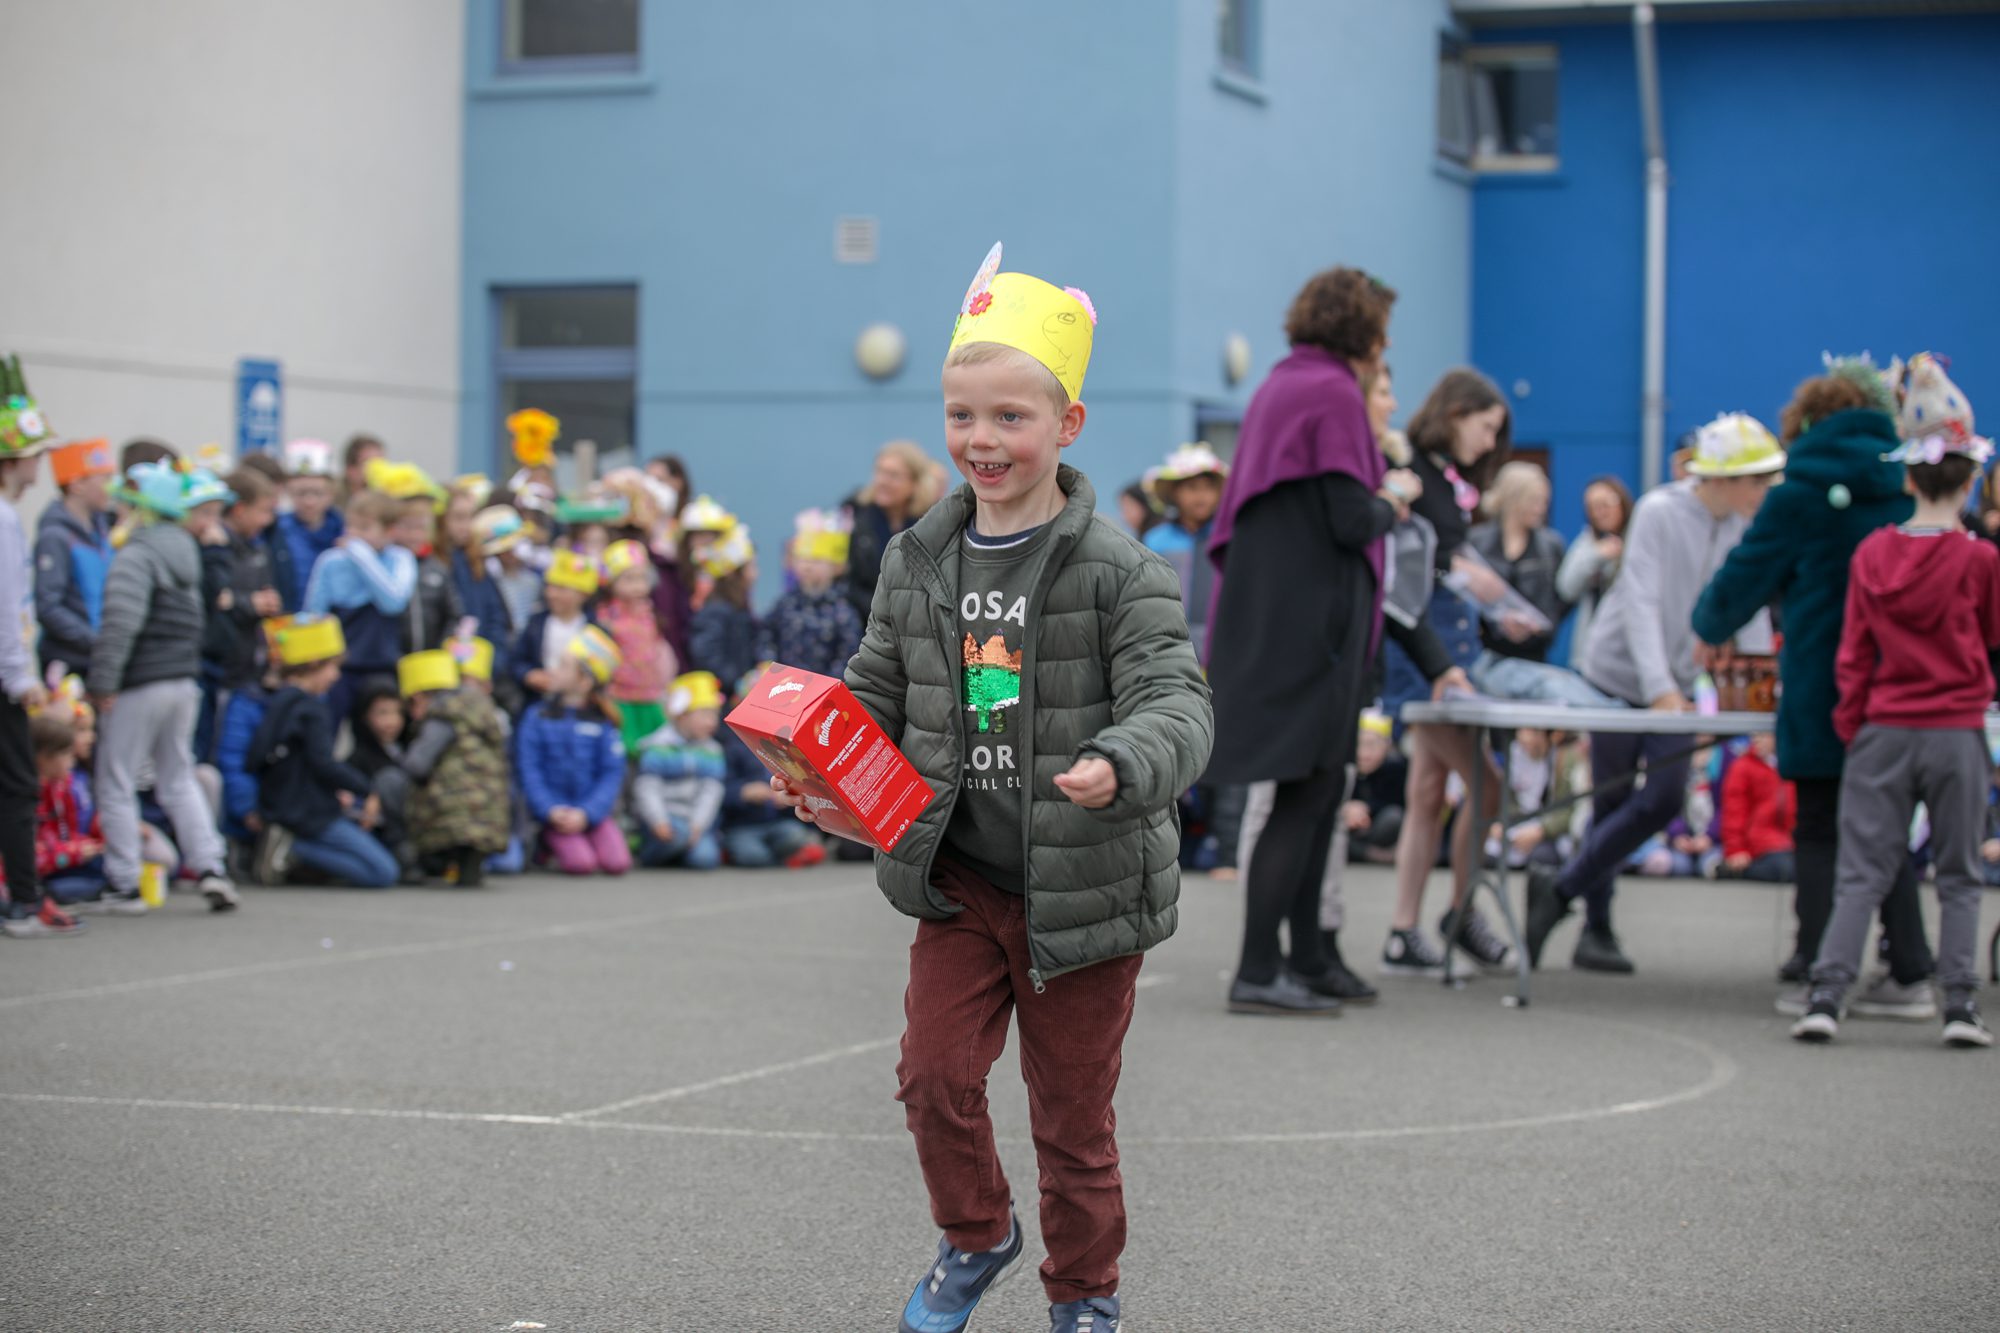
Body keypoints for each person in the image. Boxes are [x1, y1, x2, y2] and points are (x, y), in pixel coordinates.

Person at [773, 244, 1209, 1333]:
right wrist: (816, 758)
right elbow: (875, 688)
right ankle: (976, 1235)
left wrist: (1122, 762)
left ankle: (1085, 1297)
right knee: (931, 1077)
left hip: (1085, 889)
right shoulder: (914, 560)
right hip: (961, 877)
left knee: (1071, 1122)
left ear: (1066, 426)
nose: (981, 439)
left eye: (1010, 417)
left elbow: (1178, 702)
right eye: (962, 415)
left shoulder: (1121, 568)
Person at [1206, 275, 1433, 1011]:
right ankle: (1258, 969)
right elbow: (1348, 518)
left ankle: (1301, 957)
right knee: (1305, 795)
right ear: (1360, 329)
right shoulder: (1331, 389)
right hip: (1316, 632)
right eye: (1383, 328)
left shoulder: (1287, 382)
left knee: (1318, 791)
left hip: (1288, 621)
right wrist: (1395, 497)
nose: (1388, 343)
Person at [1694, 356, 1937, 1015]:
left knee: (1822, 827)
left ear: (1805, 425)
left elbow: (1738, 586)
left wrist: (1708, 622)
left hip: (1824, 684)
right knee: (1884, 828)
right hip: (1909, 689)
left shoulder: (1797, 494)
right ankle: (1912, 969)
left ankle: (1818, 968)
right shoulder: (1906, 484)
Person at [1526, 412, 1783, 974]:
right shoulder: (1661, 511)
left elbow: (1749, 601)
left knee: (1664, 797)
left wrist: (1760, 692)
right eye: (1757, 479)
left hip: (1673, 680)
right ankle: (1597, 928)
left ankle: (1559, 888)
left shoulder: (1744, 523)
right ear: (1721, 479)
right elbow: (1640, 600)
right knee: (1611, 800)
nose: (1765, 491)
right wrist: (1660, 691)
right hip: (1617, 674)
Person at [1794, 361, 1997, 1048]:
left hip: (1882, 727)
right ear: (1970, 478)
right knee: (1962, 873)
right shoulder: (1980, 561)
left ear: (1908, 476)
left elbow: (1853, 652)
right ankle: (1959, 1003)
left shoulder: (1874, 553)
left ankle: (1827, 991)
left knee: (1862, 868)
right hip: (1956, 729)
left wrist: (1853, 722)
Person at [1381, 369, 1517, 979]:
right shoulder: (1414, 473)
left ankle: (1403, 931)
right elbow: (1412, 573)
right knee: (1487, 788)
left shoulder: (1437, 477)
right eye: (1486, 428)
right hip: (1426, 653)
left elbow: (1435, 565)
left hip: (1440, 649)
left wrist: (1486, 593)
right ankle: (1459, 913)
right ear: (1458, 412)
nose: (1490, 443)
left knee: (1427, 795)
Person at [85, 461, 240, 912]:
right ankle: (212, 866)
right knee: (178, 775)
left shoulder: (136, 555)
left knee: (115, 779)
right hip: (182, 681)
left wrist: (103, 682)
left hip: (141, 681)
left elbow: (119, 625)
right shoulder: (186, 555)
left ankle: (124, 882)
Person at [0, 360, 80, 935]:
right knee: (17, 786)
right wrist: (19, 673)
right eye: (35, 453)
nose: (40, 463)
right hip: (3, 675)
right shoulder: (4, 519)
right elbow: (9, 603)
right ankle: (24, 899)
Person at [247, 615, 398, 889]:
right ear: (314, 663)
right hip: (309, 812)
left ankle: (290, 850)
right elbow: (323, 763)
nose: (336, 676)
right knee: (383, 872)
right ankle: (293, 849)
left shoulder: (279, 701)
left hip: (280, 804)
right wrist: (367, 789)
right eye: (333, 667)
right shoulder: (311, 708)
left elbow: (257, 757)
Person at [516, 626, 630, 876]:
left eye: (564, 666)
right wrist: (549, 810)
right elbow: (529, 769)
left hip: (590, 813)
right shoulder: (537, 716)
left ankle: (581, 838)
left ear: (585, 681)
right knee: (581, 864)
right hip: (554, 813)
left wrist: (588, 813)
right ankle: (546, 845)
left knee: (617, 863)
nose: (554, 671)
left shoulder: (603, 721)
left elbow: (611, 774)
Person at [397, 648, 512, 887]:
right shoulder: (484, 712)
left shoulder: (441, 716)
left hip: (454, 813)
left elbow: (417, 764)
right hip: (492, 813)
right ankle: (469, 863)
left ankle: (425, 858)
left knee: (393, 781)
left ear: (418, 697)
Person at [302, 489, 416, 727]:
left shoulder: (401, 559)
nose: (353, 535)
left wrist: (362, 556)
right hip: (341, 668)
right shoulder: (331, 561)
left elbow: (393, 602)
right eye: (350, 526)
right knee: (326, 727)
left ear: (390, 531)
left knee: (375, 734)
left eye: (364, 528)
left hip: (382, 666)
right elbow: (314, 614)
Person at [197, 467, 283, 761]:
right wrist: (248, 603)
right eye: (263, 511)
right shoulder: (214, 548)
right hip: (222, 669)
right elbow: (215, 598)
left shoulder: (258, 548)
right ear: (240, 509)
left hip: (251, 670)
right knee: (215, 747)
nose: (267, 520)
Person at [718, 670, 825, 870]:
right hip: (743, 825)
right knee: (754, 857)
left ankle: (787, 853)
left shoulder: (784, 745)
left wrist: (789, 794)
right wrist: (743, 792)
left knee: (794, 835)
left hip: (777, 822)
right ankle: (742, 851)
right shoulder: (733, 748)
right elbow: (720, 789)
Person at [33, 438, 117, 678]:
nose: (111, 488)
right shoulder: (55, 535)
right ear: (77, 484)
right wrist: (94, 640)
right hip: (68, 660)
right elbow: (48, 606)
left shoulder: (103, 530)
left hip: (97, 659)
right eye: (104, 479)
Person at [633, 671, 728, 870]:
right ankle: (653, 854)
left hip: (693, 821)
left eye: (714, 715)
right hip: (664, 820)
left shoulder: (712, 751)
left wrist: (698, 825)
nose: (711, 722)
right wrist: (658, 820)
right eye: (704, 714)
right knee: (677, 838)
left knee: (706, 860)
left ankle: (678, 851)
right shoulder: (658, 746)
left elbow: (711, 791)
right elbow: (647, 788)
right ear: (681, 714)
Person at [759, 512, 865, 681]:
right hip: (784, 686)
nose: (807, 566)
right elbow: (766, 636)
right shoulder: (785, 604)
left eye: (816, 560)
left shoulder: (842, 611)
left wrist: (827, 683)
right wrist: (770, 668)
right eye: (803, 559)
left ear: (837, 567)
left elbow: (849, 654)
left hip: (824, 692)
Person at [843, 439, 938, 624]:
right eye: (879, 472)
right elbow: (848, 584)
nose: (882, 481)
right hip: (862, 624)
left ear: (915, 483)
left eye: (893, 475)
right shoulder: (853, 515)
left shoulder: (931, 523)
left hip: (914, 624)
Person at [599, 538, 677, 750]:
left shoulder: (649, 611)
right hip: (620, 695)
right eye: (628, 579)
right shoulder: (607, 616)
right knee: (626, 747)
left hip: (650, 694)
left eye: (641, 579)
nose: (637, 587)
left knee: (655, 746)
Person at [509, 548, 600, 711]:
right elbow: (517, 659)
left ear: (583, 594)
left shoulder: (594, 630)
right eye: (550, 587)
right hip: (539, 704)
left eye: (561, 589)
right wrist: (529, 675)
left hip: (580, 707)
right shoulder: (537, 622)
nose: (551, 594)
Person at [1557, 477, 1632, 670]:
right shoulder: (1588, 542)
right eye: (1593, 507)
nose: (1600, 513)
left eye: (1605, 504)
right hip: (1593, 650)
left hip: (1630, 648)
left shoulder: (1638, 537)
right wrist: (1597, 554)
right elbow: (1566, 587)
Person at [440, 480, 513, 651]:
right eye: (458, 517)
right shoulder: (434, 565)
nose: (467, 526)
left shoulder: (477, 562)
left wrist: (492, 663)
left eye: (471, 517)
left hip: (480, 664)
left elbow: (497, 618)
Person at [273, 439, 344, 611]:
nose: (309, 501)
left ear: (331, 493)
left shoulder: (345, 531)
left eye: (318, 493)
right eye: (301, 493)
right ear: (289, 492)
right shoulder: (276, 531)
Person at [687, 525, 760, 688]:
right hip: (725, 695)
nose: (756, 574)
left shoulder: (739, 607)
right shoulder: (716, 610)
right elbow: (706, 654)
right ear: (734, 574)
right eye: (752, 567)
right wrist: (735, 681)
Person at [1719, 731, 1796, 882]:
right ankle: (1737, 872)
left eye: (1764, 734)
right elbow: (1734, 811)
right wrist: (1736, 849)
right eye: (1755, 735)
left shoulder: (1789, 763)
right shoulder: (1742, 766)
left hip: (1790, 842)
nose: (1757, 739)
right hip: (1761, 844)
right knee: (1786, 870)